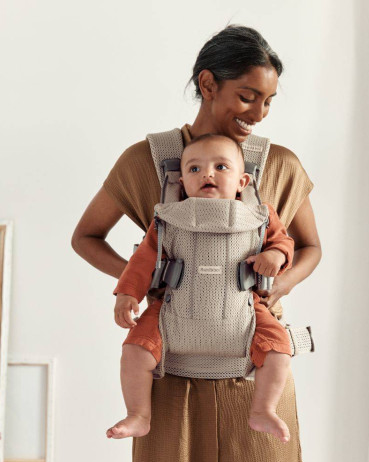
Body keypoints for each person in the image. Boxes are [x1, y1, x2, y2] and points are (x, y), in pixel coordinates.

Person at [71, 25, 321, 462]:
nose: (258, 114)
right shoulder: (146, 160)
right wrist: (143, 282)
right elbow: (86, 237)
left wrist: (277, 284)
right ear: (208, 84)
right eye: (247, 97)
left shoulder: (280, 164)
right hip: (169, 376)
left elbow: (310, 248)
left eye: (268, 102)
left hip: (256, 372)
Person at [107, 133, 296, 443]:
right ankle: (138, 414)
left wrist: (275, 255)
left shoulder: (261, 216)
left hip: (246, 311)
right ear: (182, 182)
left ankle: (263, 409)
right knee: (134, 349)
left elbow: (284, 243)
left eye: (221, 167)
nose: (207, 174)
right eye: (195, 169)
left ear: (243, 181)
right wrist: (127, 295)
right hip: (172, 310)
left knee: (279, 348)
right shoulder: (167, 218)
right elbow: (143, 261)